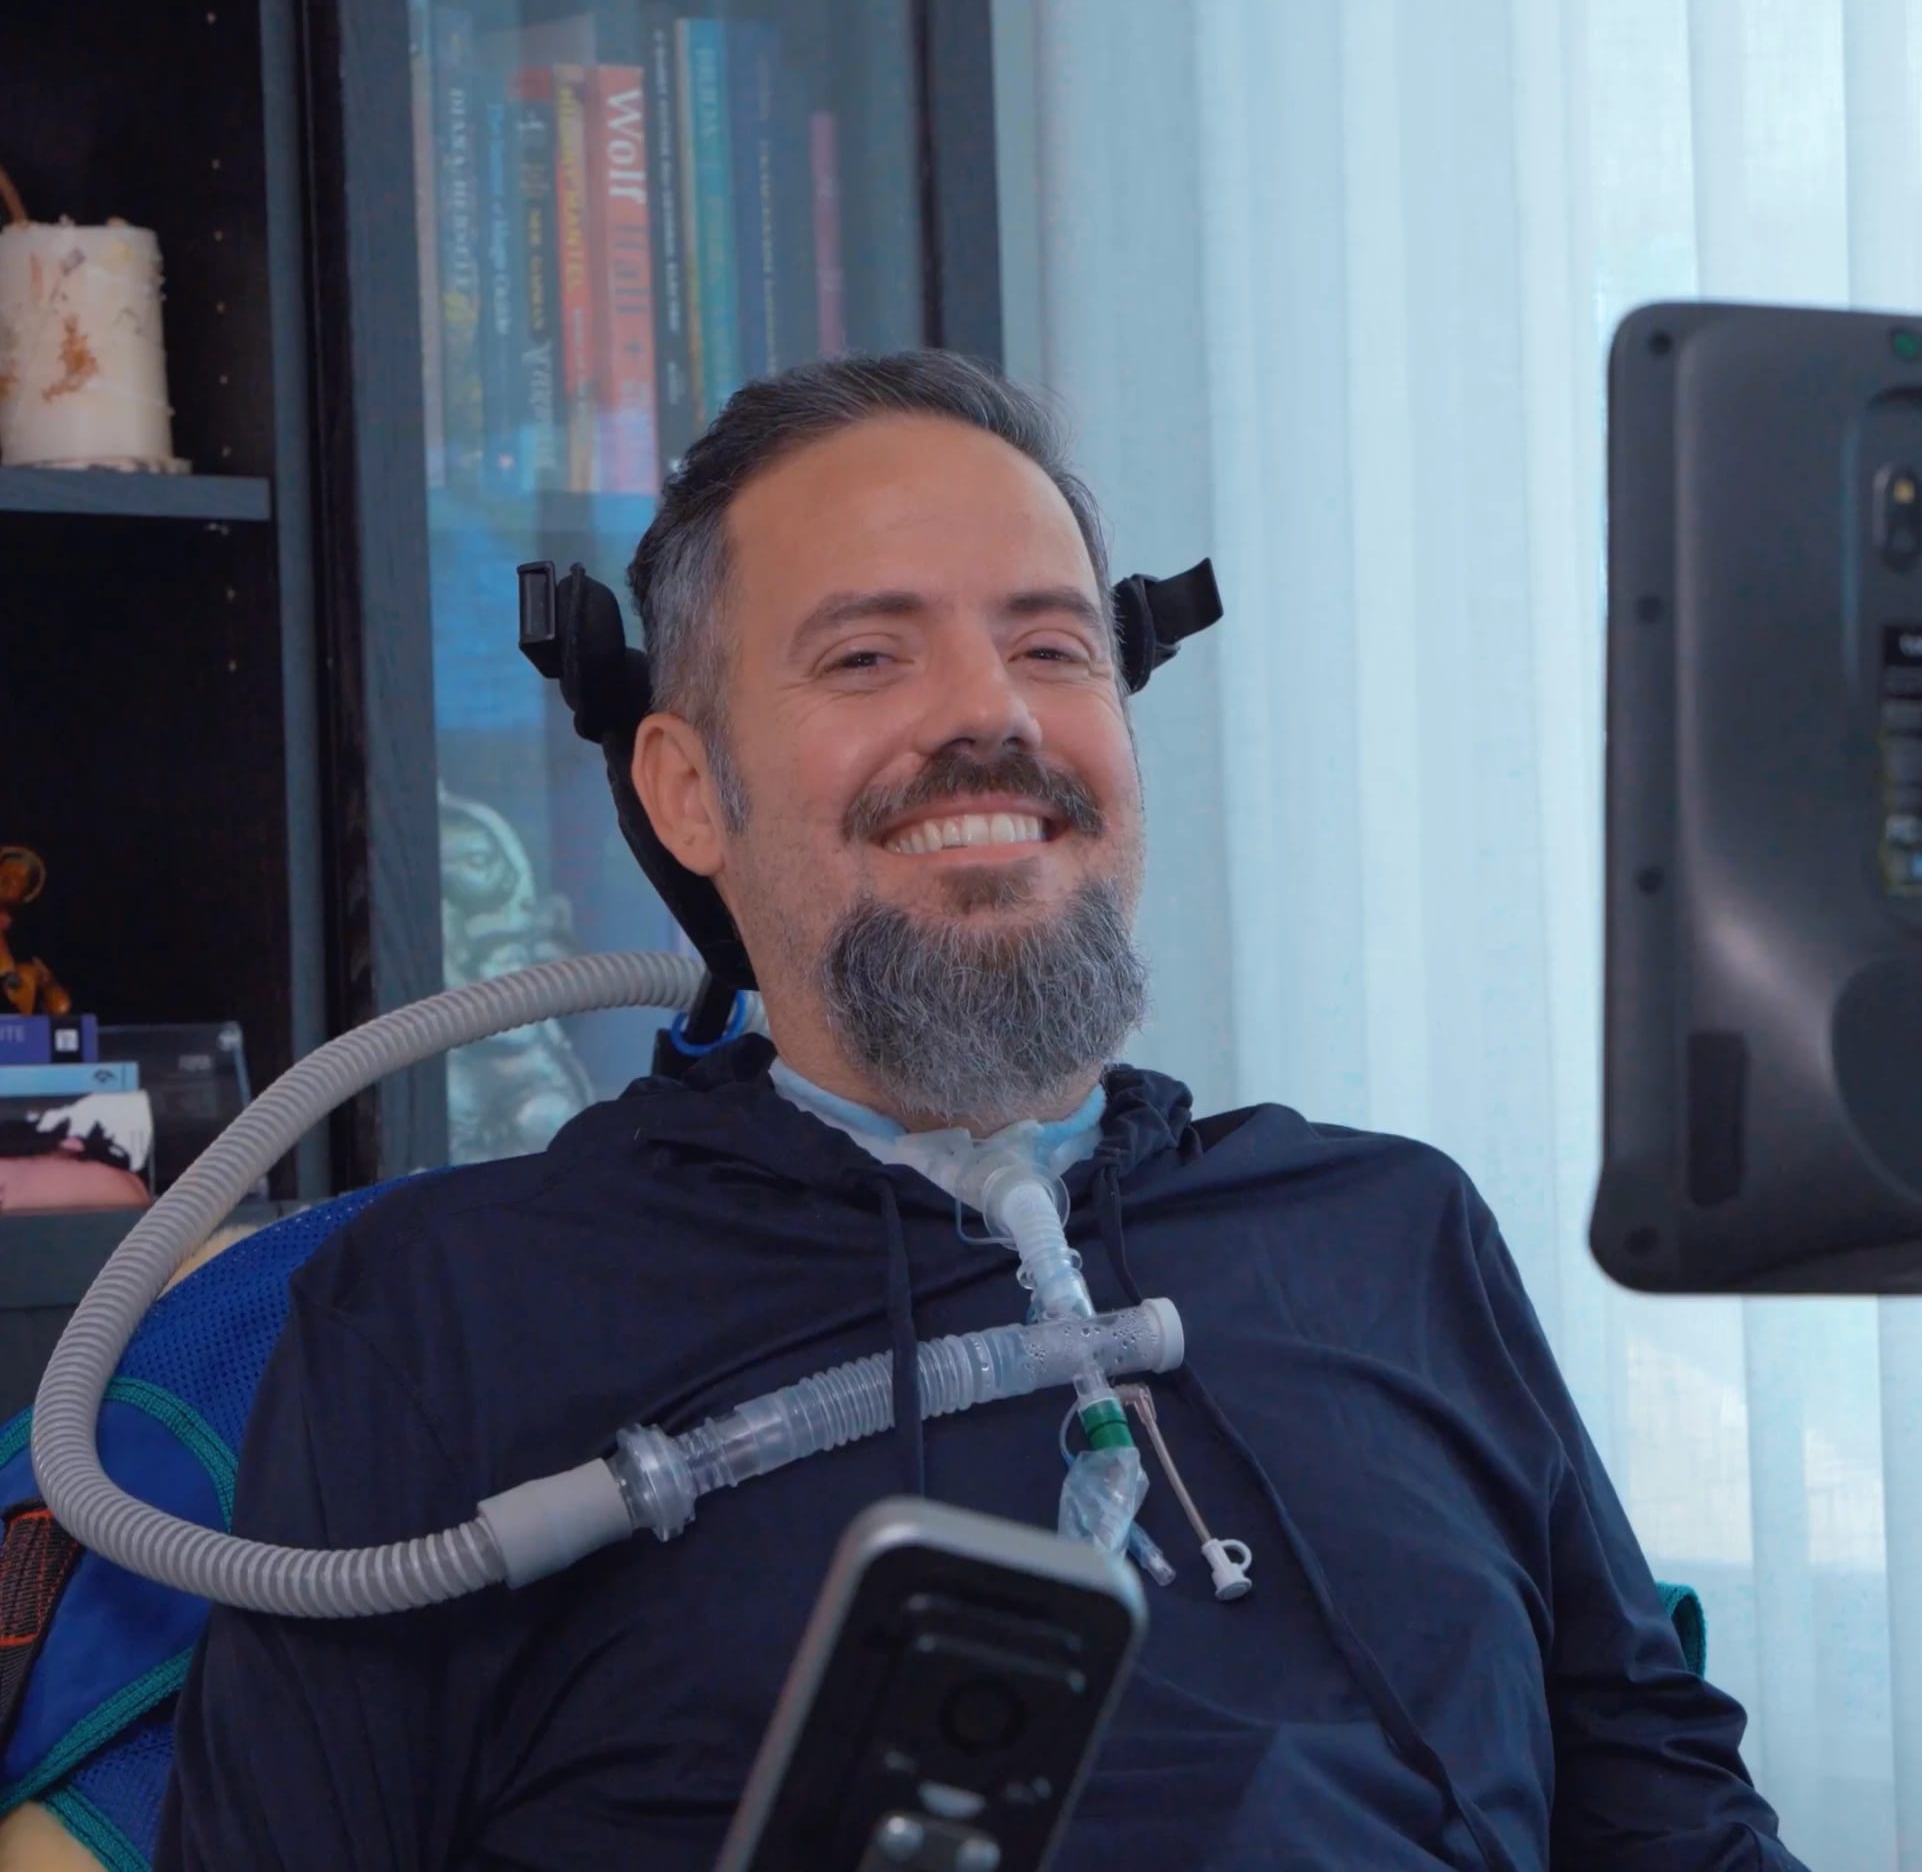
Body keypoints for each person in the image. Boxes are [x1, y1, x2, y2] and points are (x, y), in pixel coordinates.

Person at [157, 352, 1807, 1872]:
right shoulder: (452, 1309)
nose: (992, 715)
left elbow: (1665, 1807)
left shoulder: (1388, 1229)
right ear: (681, 787)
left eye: (1050, 645)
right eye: (867, 654)